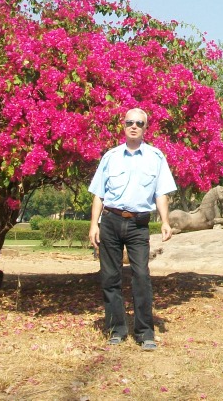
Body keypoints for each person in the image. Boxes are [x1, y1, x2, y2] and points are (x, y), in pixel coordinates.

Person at [88, 108, 175, 350]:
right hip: (111, 221)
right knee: (110, 277)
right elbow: (98, 194)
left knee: (142, 277)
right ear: (123, 126)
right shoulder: (110, 157)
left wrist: (165, 221)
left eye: (139, 123)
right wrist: (94, 224)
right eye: (129, 122)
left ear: (146, 128)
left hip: (139, 224)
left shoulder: (156, 158)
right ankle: (116, 329)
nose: (134, 126)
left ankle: (145, 332)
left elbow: (161, 193)